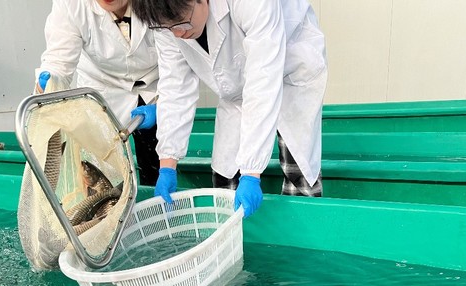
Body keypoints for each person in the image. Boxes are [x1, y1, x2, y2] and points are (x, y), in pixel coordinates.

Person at [132, 0, 327, 217]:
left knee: (298, 170)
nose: (178, 34)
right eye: (168, 28)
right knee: (225, 176)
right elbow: (175, 85)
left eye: (182, 23)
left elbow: (262, 81)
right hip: (235, 86)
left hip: (291, 68)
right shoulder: (164, 21)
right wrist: (167, 164)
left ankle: (303, 230)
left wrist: (251, 173)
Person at [35, 0, 160, 186]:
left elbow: (177, 61)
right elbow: (58, 61)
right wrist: (49, 82)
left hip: (155, 82)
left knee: (155, 161)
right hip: (103, 85)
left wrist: (164, 105)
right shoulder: (71, 4)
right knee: (100, 172)